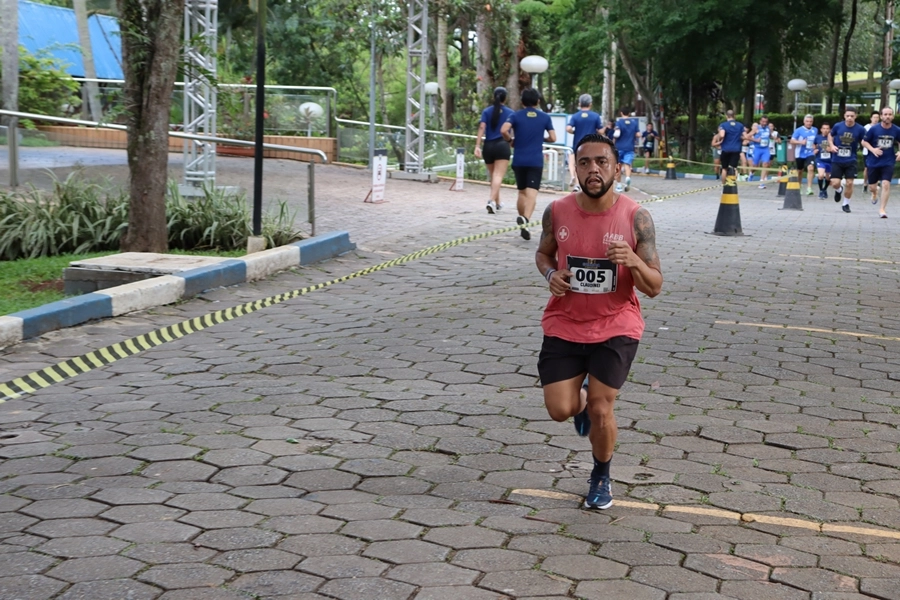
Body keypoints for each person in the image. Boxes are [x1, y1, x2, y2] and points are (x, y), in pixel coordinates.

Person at [535, 132, 662, 510]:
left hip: (616, 325)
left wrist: (634, 260)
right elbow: (543, 255)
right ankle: (584, 397)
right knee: (560, 409)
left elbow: (654, 286)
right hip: (565, 323)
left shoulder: (636, 217)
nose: (594, 170)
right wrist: (549, 275)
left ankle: (601, 475)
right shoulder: (556, 211)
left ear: (617, 168)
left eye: (601, 162)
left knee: (602, 410)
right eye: (585, 162)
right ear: (575, 168)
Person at [501, 87, 556, 240]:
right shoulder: (544, 117)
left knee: (522, 192)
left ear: (522, 101)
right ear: (538, 101)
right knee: (532, 193)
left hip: (519, 160)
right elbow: (553, 137)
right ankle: (525, 219)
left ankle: (523, 221)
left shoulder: (515, 116)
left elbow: (504, 130)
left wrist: (510, 140)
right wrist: (541, 139)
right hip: (535, 160)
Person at [475, 87, 514, 214]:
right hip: (502, 145)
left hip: (488, 145)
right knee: (498, 176)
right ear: (505, 98)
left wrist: (477, 145)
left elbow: (482, 127)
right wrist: (512, 141)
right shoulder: (510, 112)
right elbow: (512, 130)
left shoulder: (486, 111)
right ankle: (491, 201)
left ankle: (497, 202)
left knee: (493, 176)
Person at [861, 106, 900, 218]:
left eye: (890, 114)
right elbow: (864, 142)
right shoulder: (874, 129)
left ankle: (882, 209)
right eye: (885, 114)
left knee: (886, 184)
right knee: (872, 187)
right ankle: (874, 193)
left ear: (892, 116)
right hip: (873, 161)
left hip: (888, 161)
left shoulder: (896, 130)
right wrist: (873, 150)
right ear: (881, 116)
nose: (887, 117)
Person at [828, 107, 867, 213]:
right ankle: (839, 190)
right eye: (848, 116)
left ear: (855, 116)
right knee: (835, 183)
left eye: (852, 116)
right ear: (844, 116)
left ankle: (846, 204)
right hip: (837, 159)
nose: (849, 118)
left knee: (850, 183)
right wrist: (831, 145)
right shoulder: (838, 126)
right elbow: (830, 136)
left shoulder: (860, 129)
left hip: (851, 159)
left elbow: (865, 141)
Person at [566, 94, 603, 190]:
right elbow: (601, 131)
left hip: (578, 144)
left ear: (579, 104)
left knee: (577, 162)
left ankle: (576, 182)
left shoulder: (575, 116)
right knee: (589, 164)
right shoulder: (595, 116)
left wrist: (574, 131)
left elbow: (568, 128)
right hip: (591, 145)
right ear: (590, 104)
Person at [613, 108, 640, 192]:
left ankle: (618, 185)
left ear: (621, 113)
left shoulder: (619, 122)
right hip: (630, 147)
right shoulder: (634, 123)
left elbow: (617, 134)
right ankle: (628, 178)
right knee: (627, 164)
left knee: (618, 166)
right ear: (629, 113)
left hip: (619, 147)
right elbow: (638, 134)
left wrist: (613, 140)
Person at [715, 110, 746, 183]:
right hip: (736, 149)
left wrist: (719, 136)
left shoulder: (723, 125)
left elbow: (722, 135)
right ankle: (733, 184)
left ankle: (723, 185)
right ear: (734, 116)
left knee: (724, 168)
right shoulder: (740, 125)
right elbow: (745, 136)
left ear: (726, 116)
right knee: (734, 168)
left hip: (726, 149)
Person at [790, 115, 818, 195]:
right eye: (807, 121)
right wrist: (801, 142)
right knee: (800, 171)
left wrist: (815, 147)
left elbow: (815, 141)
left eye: (810, 121)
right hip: (800, 153)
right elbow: (792, 141)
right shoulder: (799, 130)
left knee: (811, 168)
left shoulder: (815, 130)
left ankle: (809, 188)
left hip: (810, 153)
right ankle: (799, 185)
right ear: (804, 121)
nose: (809, 123)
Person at [748, 115, 773, 188]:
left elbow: (770, 136)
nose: (764, 123)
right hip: (757, 149)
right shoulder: (756, 128)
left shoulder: (768, 128)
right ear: (760, 121)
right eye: (763, 121)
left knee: (765, 164)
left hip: (765, 149)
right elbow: (747, 136)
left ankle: (761, 182)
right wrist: (756, 140)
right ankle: (751, 174)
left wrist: (775, 138)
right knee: (755, 166)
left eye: (766, 122)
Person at [863, 110, 880, 201]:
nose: (876, 119)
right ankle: (865, 183)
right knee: (867, 168)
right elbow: (863, 140)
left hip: (877, 152)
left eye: (877, 117)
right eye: (874, 117)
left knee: (877, 168)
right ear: (871, 118)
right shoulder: (866, 127)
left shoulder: (881, 127)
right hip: (867, 151)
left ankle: (875, 184)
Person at [814, 123, 833, 199]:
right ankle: (821, 191)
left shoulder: (832, 138)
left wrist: (831, 149)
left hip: (830, 160)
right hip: (820, 159)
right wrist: (814, 149)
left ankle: (824, 189)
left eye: (827, 128)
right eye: (824, 128)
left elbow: (836, 147)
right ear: (821, 130)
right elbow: (814, 144)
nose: (825, 130)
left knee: (828, 178)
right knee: (821, 175)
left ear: (830, 130)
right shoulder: (817, 137)